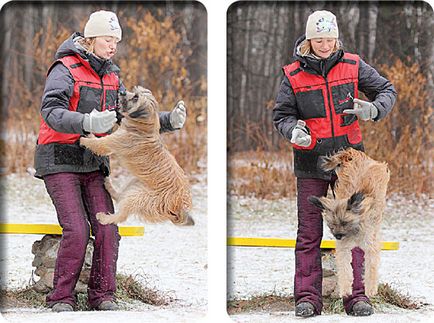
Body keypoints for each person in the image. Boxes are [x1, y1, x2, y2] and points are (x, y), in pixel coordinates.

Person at [33, 10, 187, 312]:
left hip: (92, 162)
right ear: (91, 39)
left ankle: (103, 295)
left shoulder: (112, 76)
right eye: (107, 39)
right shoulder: (64, 69)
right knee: (77, 228)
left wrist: (169, 121)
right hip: (59, 159)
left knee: (107, 227)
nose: (113, 45)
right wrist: (86, 121)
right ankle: (61, 297)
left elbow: (132, 115)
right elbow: (50, 111)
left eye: (116, 40)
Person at [272, 10, 397, 317]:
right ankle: (307, 297)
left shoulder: (353, 65)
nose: (325, 45)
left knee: (356, 228)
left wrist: (373, 109)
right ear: (308, 40)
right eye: (319, 40)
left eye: (329, 39)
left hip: (351, 166)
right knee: (309, 232)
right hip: (311, 162)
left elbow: (387, 90)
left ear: (336, 38)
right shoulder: (293, 74)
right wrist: (293, 131)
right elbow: (282, 115)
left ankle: (357, 297)